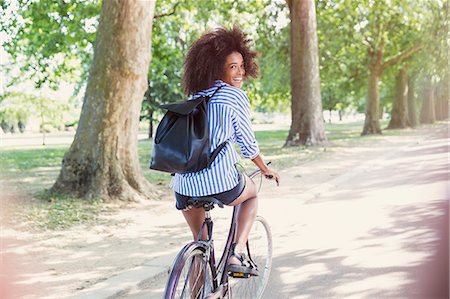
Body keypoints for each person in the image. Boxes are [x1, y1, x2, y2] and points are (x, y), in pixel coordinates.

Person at [170, 26, 280, 276]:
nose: (240, 72)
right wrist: (264, 169)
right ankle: (236, 253)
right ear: (216, 67)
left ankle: (200, 285)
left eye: (241, 65)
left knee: (200, 245)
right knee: (251, 195)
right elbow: (247, 144)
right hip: (220, 182)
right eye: (233, 66)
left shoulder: (196, 97)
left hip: (184, 186)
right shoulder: (233, 96)